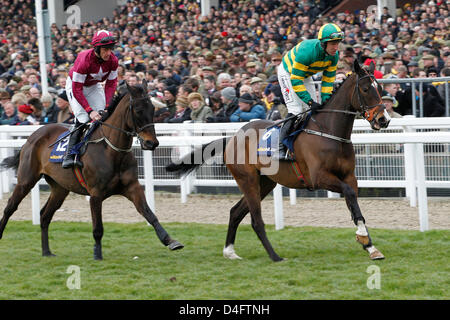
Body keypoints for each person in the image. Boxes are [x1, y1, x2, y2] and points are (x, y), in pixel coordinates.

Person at [275, 23, 343, 160]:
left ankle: (304, 144)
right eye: (332, 44)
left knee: (309, 110)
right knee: (296, 109)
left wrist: (325, 102)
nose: (336, 48)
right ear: (323, 43)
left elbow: (328, 82)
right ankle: (279, 148)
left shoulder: (334, 56)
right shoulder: (307, 51)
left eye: (338, 43)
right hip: (289, 73)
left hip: (304, 75)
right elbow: (296, 80)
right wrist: (310, 101)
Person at [63, 30, 119, 168]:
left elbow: (111, 84)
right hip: (76, 87)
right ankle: (69, 154)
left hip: (94, 86)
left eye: (110, 49)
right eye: (105, 49)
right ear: (97, 48)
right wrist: (89, 111)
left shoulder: (113, 61)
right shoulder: (84, 60)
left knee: (102, 115)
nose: (108, 53)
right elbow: (77, 89)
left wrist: (106, 106)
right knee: (83, 118)